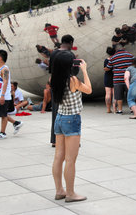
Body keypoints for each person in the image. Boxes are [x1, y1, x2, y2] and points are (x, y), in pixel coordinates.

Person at [51, 54, 92, 202]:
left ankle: (59, 190)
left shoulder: (54, 79)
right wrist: (85, 71)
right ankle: (70, 193)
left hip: (60, 118)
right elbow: (88, 89)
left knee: (58, 157)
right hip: (72, 119)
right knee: (70, 160)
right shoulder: (72, 80)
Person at [49, 35, 76, 147]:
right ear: (70, 42)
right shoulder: (70, 54)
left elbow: (50, 70)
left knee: (56, 113)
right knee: (70, 113)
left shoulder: (54, 53)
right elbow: (74, 72)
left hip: (55, 85)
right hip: (67, 86)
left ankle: (55, 139)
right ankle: (70, 138)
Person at [0, 50, 24, 140]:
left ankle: (2, 133)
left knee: (3, 115)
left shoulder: (5, 69)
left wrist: (2, 95)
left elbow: (5, 82)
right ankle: (16, 123)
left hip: (3, 96)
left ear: (0, 58)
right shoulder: (0, 69)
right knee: (2, 113)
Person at [105, 45, 134, 114]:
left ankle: (120, 110)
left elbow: (108, 67)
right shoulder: (130, 55)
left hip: (117, 79)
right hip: (128, 79)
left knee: (119, 96)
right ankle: (132, 109)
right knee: (130, 95)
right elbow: (134, 65)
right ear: (123, 48)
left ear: (116, 50)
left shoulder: (113, 57)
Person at [104, 47, 116, 113]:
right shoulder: (115, 59)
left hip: (107, 77)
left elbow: (105, 68)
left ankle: (108, 109)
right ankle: (115, 109)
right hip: (115, 77)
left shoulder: (106, 60)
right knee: (115, 94)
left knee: (108, 94)